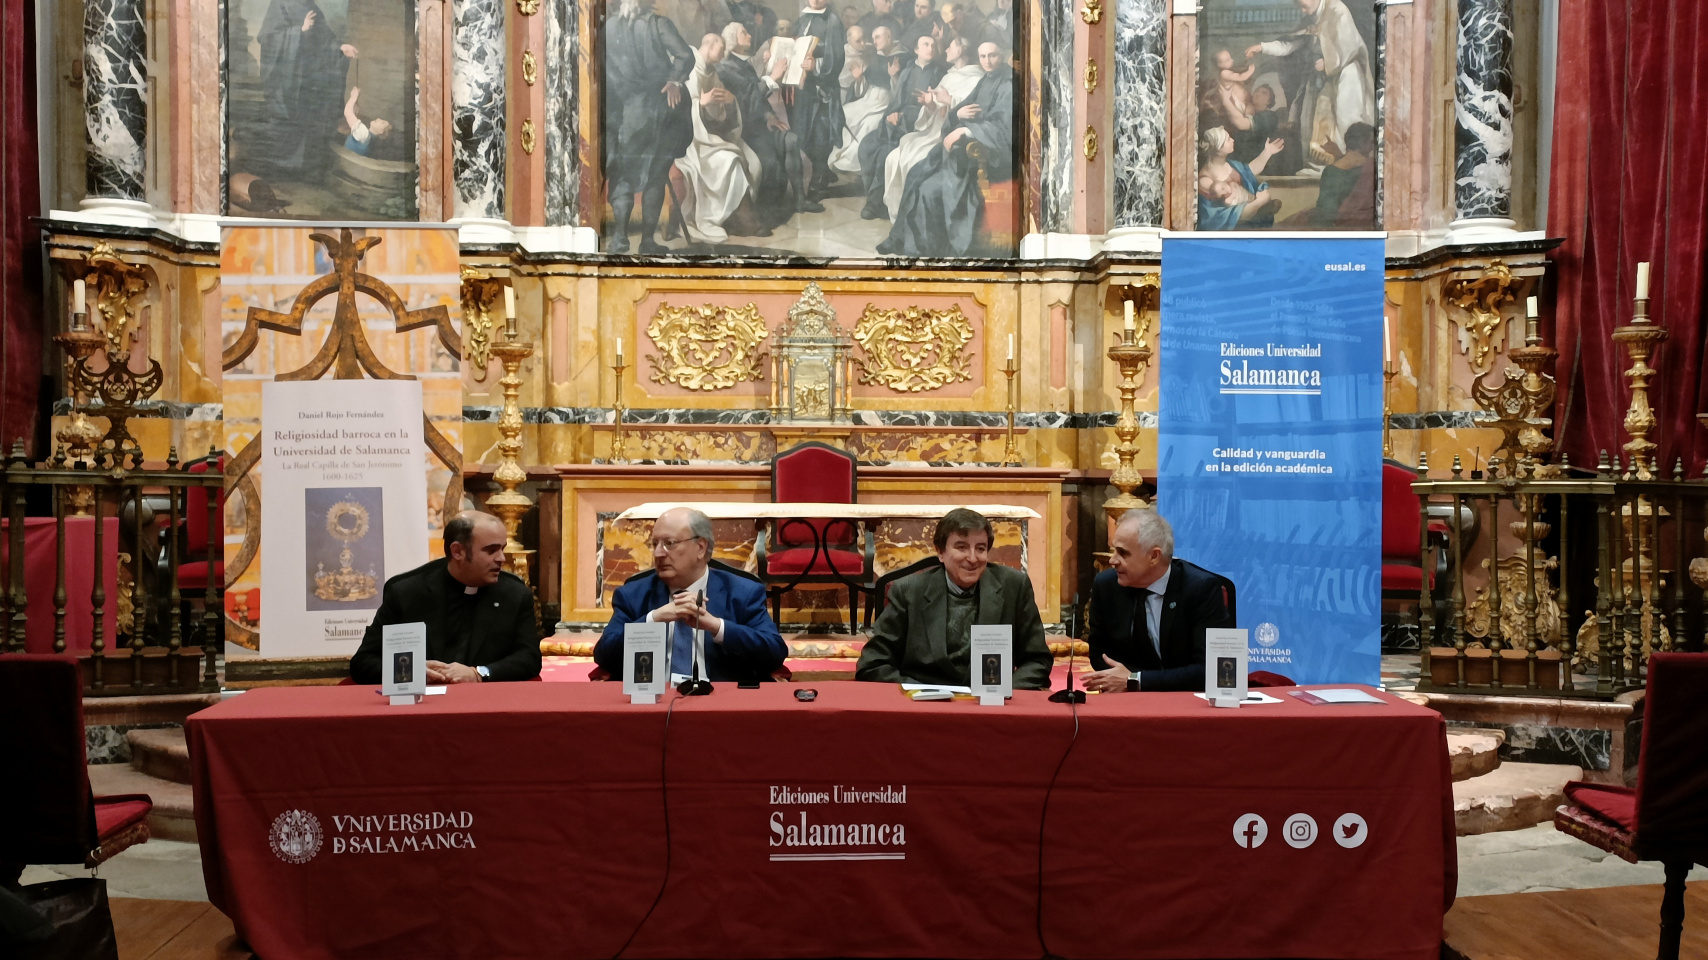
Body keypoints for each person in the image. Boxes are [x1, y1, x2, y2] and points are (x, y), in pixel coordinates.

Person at [856, 508, 1052, 689]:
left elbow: (1037, 661)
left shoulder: (1014, 586)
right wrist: (918, 691)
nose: (973, 558)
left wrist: (1003, 690)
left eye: (981, 548)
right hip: (927, 707)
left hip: (991, 707)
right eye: (962, 547)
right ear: (941, 552)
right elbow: (873, 664)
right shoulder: (909, 591)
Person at [595, 507, 786, 683]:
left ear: (701, 547)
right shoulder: (633, 595)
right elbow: (604, 655)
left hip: (720, 706)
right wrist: (653, 620)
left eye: (669, 543)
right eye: (655, 544)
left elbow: (774, 652)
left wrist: (716, 627)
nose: (659, 553)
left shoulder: (742, 592)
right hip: (653, 705)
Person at [350, 512, 542, 684]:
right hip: (422, 707)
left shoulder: (514, 594)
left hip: (486, 703)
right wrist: (410, 671)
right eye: (491, 550)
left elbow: (529, 658)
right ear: (457, 551)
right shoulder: (406, 592)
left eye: (502, 548)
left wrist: (479, 673)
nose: (501, 558)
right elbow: (363, 662)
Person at [876, 40, 1012, 256]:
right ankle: (898, 238)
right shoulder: (986, 80)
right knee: (915, 173)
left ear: (1002, 55)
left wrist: (964, 131)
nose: (988, 61)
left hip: (984, 156)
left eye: (993, 55)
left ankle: (926, 248)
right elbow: (960, 108)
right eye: (983, 56)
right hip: (963, 151)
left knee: (929, 190)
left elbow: (1004, 126)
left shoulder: (1009, 83)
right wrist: (957, 115)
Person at [1078, 509, 1235, 693]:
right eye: (1114, 550)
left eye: (1123, 553)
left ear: (1154, 556)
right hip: (1126, 701)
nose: (1113, 560)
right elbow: (1100, 655)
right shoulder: (1107, 586)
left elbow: (1211, 669)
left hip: (1186, 701)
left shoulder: (1200, 589)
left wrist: (1136, 680)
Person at [603, 0, 695, 254]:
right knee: (656, 172)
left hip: (622, 113)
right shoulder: (658, 24)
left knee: (621, 173)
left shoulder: (608, 27)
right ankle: (647, 242)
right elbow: (686, 55)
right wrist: (674, 79)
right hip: (658, 109)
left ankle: (620, 238)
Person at [1244, 0, 1372, 169]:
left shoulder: (1337, 10)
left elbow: (1350, 46)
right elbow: (1289, 45)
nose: (1303, 11)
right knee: (1307, 117)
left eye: (1304, 6)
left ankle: (1350, 164)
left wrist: (1328, 64)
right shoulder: (1310, 19)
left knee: (1344, 117)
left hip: (1345, 74)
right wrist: (1262, 47)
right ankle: (1320, 164)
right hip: (1321, 76)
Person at [717, 21, 816, 222]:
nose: (749, 36)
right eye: (744, 33)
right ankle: (768, 210)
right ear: (731, 40)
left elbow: (758, 99)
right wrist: (773, 77)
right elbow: (747, 99)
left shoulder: (744, 64)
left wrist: (769, 115)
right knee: (770, 161)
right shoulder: (726, 68)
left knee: (792, 140)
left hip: (760, 122)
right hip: (745, 129)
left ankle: (799, 200)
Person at [252, 0, 358, 179]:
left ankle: (304, 171)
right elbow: (267, 38)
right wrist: (299, 32)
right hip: (287, 81)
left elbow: (324, 41)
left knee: (310, 121)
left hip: (309, 80)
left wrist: (340, 47)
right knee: (286, 123)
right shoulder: (280, 4)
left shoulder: (311, 6)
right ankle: (280, 171)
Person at [673, 32, 760, 244]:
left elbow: (719, 113)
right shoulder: (688, 68)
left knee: (754, 163)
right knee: (729, 162)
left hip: (708, 135)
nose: (723, 55)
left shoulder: (712, 71)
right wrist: (699, 104)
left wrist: (729, 101)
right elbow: (674, 111)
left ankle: (730, 217)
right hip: (688, 141)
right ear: (710, 46)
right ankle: (742, 220)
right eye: (721, 50)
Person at [881, 35, 981, 218]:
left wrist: (949, 101)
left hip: (950, 135)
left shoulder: (975, 78)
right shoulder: (950, 75)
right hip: (932, 130)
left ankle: (911, 218)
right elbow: (936, 110)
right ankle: (900, 215)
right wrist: (930, 104)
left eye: (949, 47)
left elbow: (973, 111)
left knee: (912, 161)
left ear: (960, 50)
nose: (945, 50)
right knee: (893, 158)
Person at [857, 33, 944, 220]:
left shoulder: (939, 73)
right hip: (898, 119)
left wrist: (905, 115)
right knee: (866, 146)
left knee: (885, 153)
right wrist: (891, 115)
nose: (930, 48)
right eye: (925, 44)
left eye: (933, 45)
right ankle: (873, 197)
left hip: (920, 124)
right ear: (916, 50)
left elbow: (934, 107)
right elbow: (896, 100)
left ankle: (874, 203)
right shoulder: (907, 70)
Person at [788, 0, 847, 200]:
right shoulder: (802, 18)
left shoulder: (832, 21)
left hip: (823, 86)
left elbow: (837, 56)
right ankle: (819, 171)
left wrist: (817, 66)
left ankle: (818, 177)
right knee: (802, 131)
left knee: (821, 132)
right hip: (803, 87)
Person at [1196, 125, 1282, 229]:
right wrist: (1260, 202)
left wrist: (1267, 152)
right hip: (1234, 226)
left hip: (1248, 204)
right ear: (1218, 149)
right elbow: (1221, 216)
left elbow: (1249, 170)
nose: (1232, 140)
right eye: (1228, 139)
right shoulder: (1205, 180)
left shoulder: (1230, 164)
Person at [341, 86, 393, 158]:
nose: (378, 119)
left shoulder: (364, 134)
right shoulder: (368, 138)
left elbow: (347, 112)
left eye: (382, 123)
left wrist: (353, 96)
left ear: (381, 132)